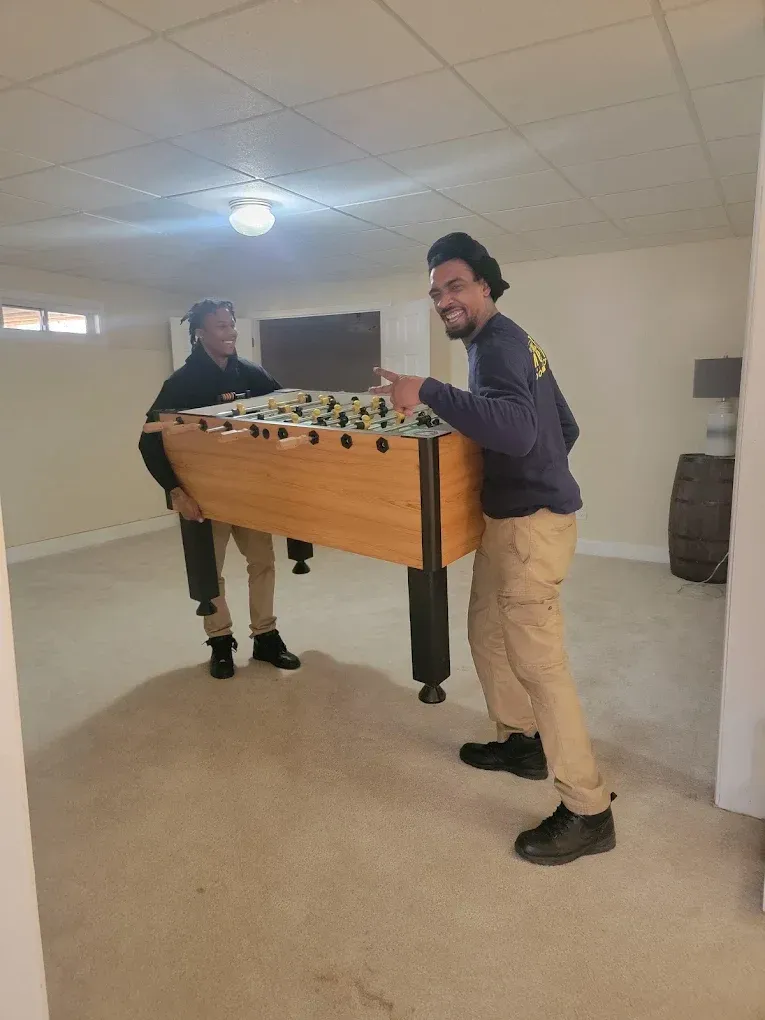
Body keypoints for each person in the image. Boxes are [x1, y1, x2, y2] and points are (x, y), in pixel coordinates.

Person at [371, 234, 615, 866]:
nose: (443, 300)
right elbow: (563, 426)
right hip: (509, 520)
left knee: (540, 664)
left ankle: (589, 810)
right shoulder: (508, 342)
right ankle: (521, 742)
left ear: (485, 284)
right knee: (486, 630)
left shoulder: (500, 344)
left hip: (531, 529)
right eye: (435, 292)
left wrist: (427, 388)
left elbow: (517, 427)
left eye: (455, 285)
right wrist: (527, 468)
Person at [139, 299, 300, 680]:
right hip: (203, 497)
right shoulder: (181, 383)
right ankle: (220, 640)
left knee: (262, 562)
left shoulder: (252, 373)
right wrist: (176, 492)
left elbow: (286, 413)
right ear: (200, 334)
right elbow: (149, 441)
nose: (231, 332)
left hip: (249, 492)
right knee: (210, 571)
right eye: (221, 326)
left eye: (231, 324)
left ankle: (265, 635)